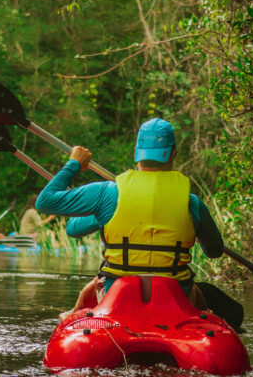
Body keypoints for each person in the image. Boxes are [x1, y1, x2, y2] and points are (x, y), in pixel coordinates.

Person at [35, 118, 224, 318]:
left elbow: (45, 202)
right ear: (173, 154)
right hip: (176, 297)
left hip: (117, 295)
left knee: (94, 285)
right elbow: (214, 251)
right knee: (199, 293)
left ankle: (76, 315)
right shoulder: (192, 203)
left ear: (136, 152)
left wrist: (74, 164)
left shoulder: (108, 193)